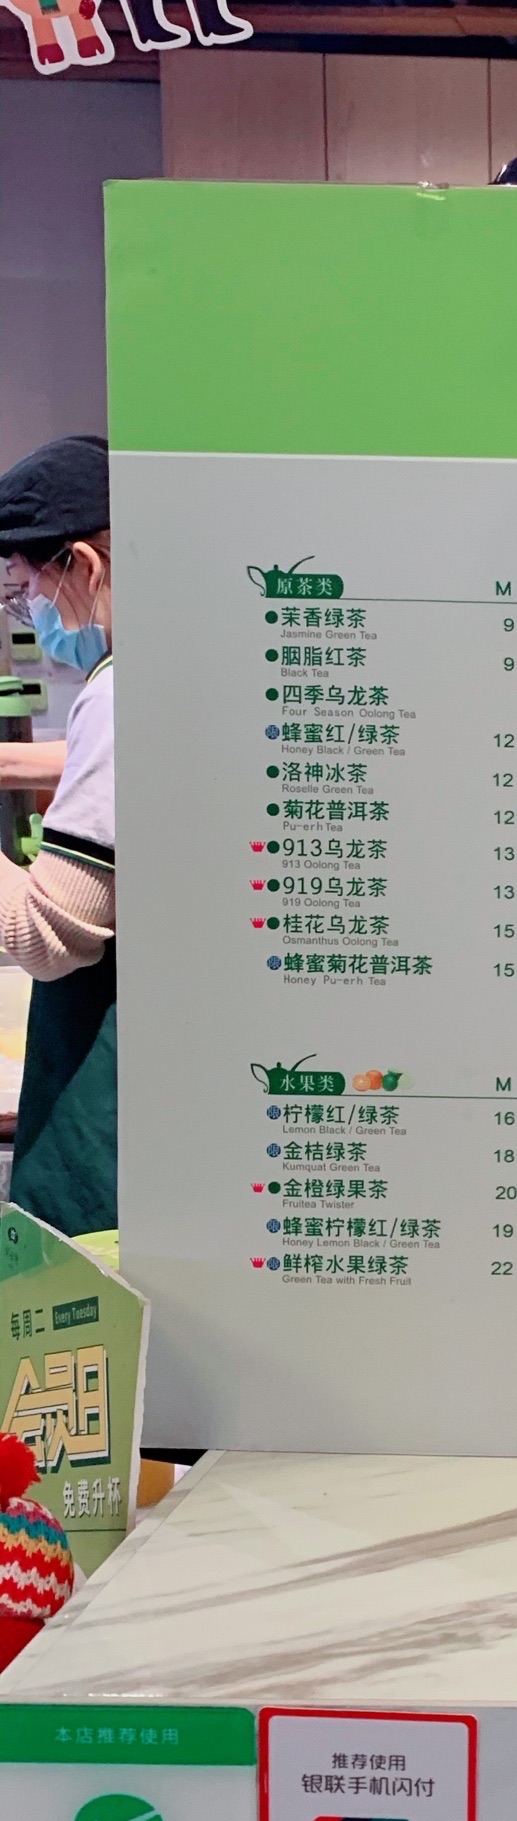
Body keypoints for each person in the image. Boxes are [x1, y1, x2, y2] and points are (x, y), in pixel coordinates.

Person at [0, 433, 116, 1236]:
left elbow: (45, 934)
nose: (32, 609)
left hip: (107, 1116)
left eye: (28, 587)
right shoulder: (187, 667)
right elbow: (102, 764)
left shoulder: (117, 695)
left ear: (82, 564)